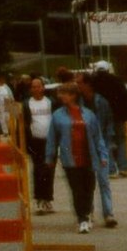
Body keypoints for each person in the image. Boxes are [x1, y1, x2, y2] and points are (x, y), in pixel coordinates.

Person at [46, 82, 109, 233]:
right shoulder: (57, 115)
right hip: (70, 158)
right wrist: (49, 157)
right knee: (77, 189)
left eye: (65, 93)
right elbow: (52, 138)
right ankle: (82, 219)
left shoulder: (88, 114)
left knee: (89, 188)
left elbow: (97, 136)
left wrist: (103, 154)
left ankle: (86, 213)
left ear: (73, 95)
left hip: (88, 156)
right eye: (60, 93)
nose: (61, 96)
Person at [75, 73, 117, 226]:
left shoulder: (102, 102)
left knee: (103, 181)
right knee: (88, 183)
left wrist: (108, 146)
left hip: (101, 146)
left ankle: (109, 214)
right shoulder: (77, 103)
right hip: (84, 147)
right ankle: (89, 211)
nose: (77, 86)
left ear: (88, 84)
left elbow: (109, 123)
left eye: (79, 83)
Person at [21, 75, 55, 214]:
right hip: (35, 141)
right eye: (33, 86)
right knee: (38, 170)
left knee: (49, 170)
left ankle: (48, 199)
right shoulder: (26, 103)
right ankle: (39, 199)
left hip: (50, 141)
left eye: (38, 86)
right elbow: (22, 123)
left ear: (43, 88)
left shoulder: (50, 102)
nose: (36, 89)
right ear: (31, 89)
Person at [91, 62, 127, 175]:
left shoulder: (94, 81)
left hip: (102, 116)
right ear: (108, 70)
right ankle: (123, 167)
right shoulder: (117, 80)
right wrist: (125, 114)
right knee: (121, 140)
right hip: (119, 115)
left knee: (106, 140)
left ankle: (111, 169)